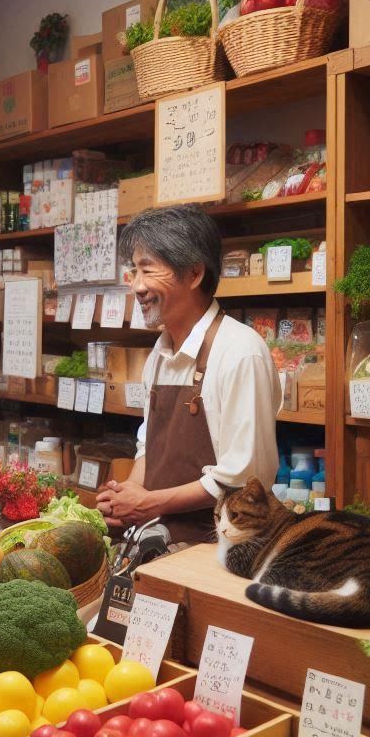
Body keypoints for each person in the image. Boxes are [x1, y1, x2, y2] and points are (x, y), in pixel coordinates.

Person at [96, 206, 280, 548]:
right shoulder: (160, 352)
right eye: (134, 270)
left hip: (220, 547)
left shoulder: (240, 353)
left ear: (194, 274)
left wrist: (147, 503)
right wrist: (132, 492)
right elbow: (149, 444)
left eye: (148, 269)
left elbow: (243, 479)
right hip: (161, 539)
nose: (137, 286)